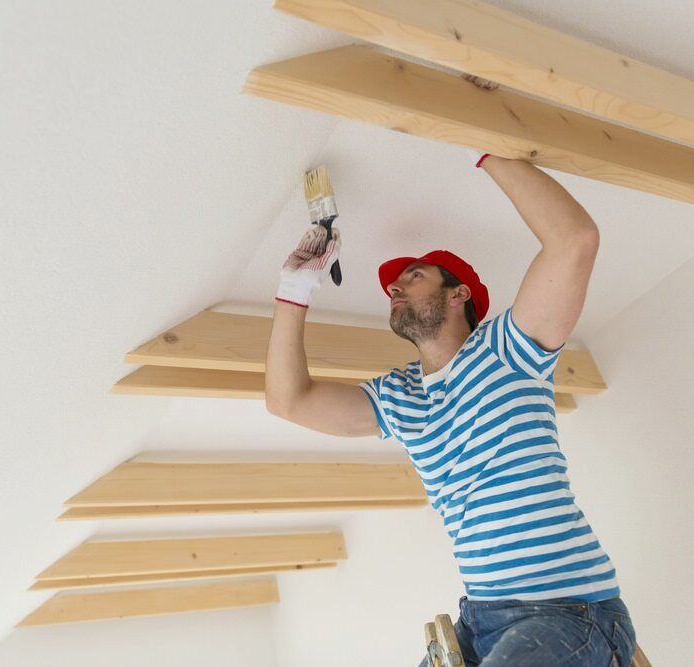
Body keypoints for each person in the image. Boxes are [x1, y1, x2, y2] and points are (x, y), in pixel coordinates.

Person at [265, 151, 637, 666]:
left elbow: (575, 241)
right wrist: (294, 287)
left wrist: (479, 139)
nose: (393, 288)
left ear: (460, 293)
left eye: (413, 276)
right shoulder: (400, 396)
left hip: (570, 612)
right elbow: (288, 401)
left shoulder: (509, 349)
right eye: (395, 286)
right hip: (479, 618)